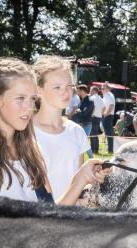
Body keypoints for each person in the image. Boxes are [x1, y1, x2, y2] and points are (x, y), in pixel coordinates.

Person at [0, 57, 110, 205]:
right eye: (20, 98)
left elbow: (49, 214)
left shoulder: (30, 150)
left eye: (32, 99)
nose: (29, 107)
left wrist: (82, 178)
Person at [33, 55, 95, 202]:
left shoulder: (76, 131)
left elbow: (77, 184)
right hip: (40, 219)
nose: (66, 92)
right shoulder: (25, 132)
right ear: (39, 90)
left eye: (70, 86)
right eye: (57, 87)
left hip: (72, 219)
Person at [73, 84, 94, 158]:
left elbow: (85, 113)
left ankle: (92, 158)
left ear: (82, 91)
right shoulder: (81, 101)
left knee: (84, 142)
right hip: (80, 124)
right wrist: (80, 111)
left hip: (87, 124)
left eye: (78, 91)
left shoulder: (90, 101)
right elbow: (80, 111)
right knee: (80, 142)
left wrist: (79, 111)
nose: (77, 92)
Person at [89, 86, 105, 154]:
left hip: (93, 117)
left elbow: (93, 107)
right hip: (98, 117)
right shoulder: (100, 98)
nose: (90, 92)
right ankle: (96, 149)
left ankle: (93, 149)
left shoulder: (92, 98)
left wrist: (92, 114)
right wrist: (100, 114)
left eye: (91, 90)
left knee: (92, 134)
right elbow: (104, 107)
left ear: (94, 91)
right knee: (95, 134)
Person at [101, 82, 115, 153]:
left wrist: (105, 114)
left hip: (108, 116)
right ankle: (109, 148)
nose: (101, 90)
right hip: (106, 116)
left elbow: (111, 106)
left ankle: (110, 149)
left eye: (103, 88)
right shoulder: (106, 95)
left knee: (109, 133)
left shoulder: (109, 95)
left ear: (108, 88)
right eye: (101, 88)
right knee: (107, 133)